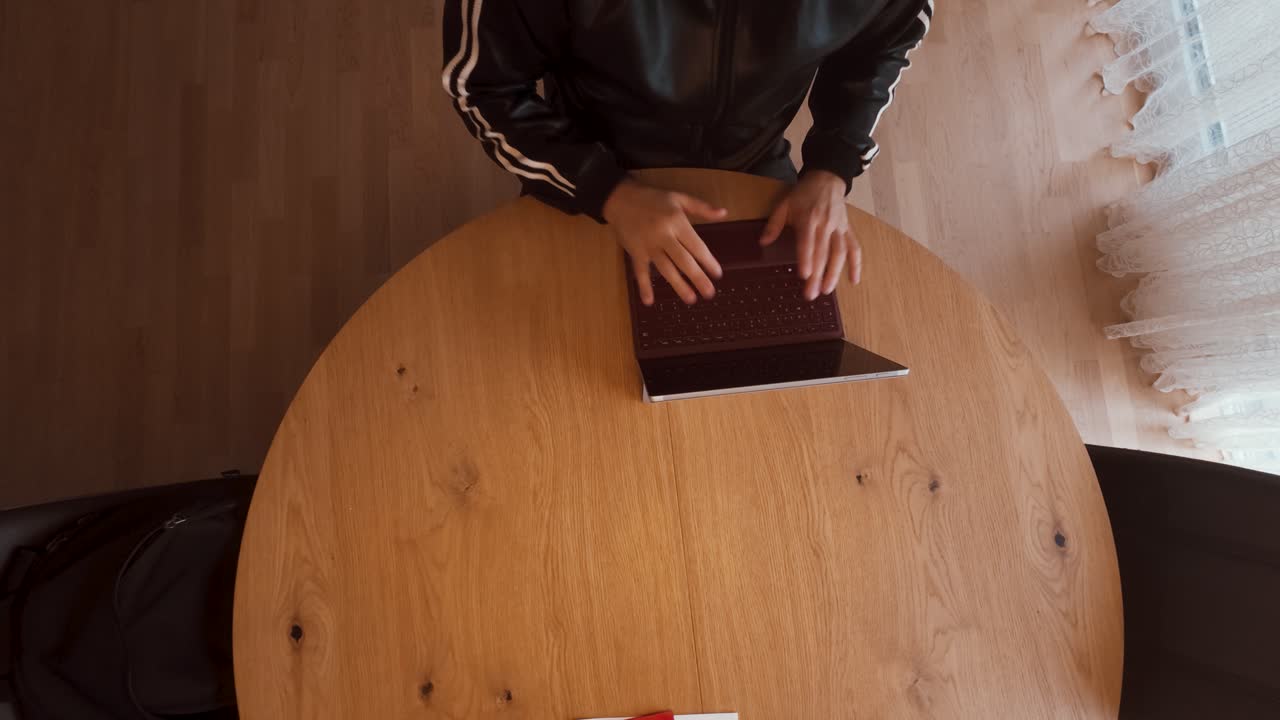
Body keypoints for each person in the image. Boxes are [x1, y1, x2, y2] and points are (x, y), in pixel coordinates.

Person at [442, 0, 932, 305]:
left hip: (753, 161)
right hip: (589, 160)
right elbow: (482, 87)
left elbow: (883, 39)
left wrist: (831, 166)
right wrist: (606, 190)